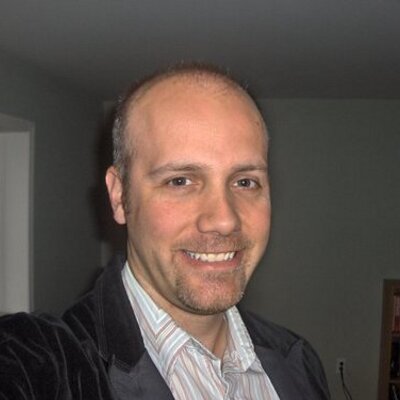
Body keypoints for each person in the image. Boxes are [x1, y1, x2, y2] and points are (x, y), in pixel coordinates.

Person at [0, 64, 330, 399]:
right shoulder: (38, 365)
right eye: (180, 181)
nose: (224, 220)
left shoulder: (298, 360)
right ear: (119, 196)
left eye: (245, 182)